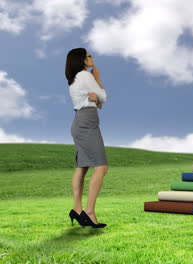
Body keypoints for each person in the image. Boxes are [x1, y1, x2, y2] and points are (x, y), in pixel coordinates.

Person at [65, 48, 108, 228]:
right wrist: (97, 77)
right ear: (82, 59)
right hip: (87, 123)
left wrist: (96, 100)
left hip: (80, 121)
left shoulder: (75, 78)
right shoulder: (85, 76)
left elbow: (97, 103)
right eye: (89, 56)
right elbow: (103, 98)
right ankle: (89, 211)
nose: (92, 58)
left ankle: (77, 209)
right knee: (101, 166)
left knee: (82, 167)